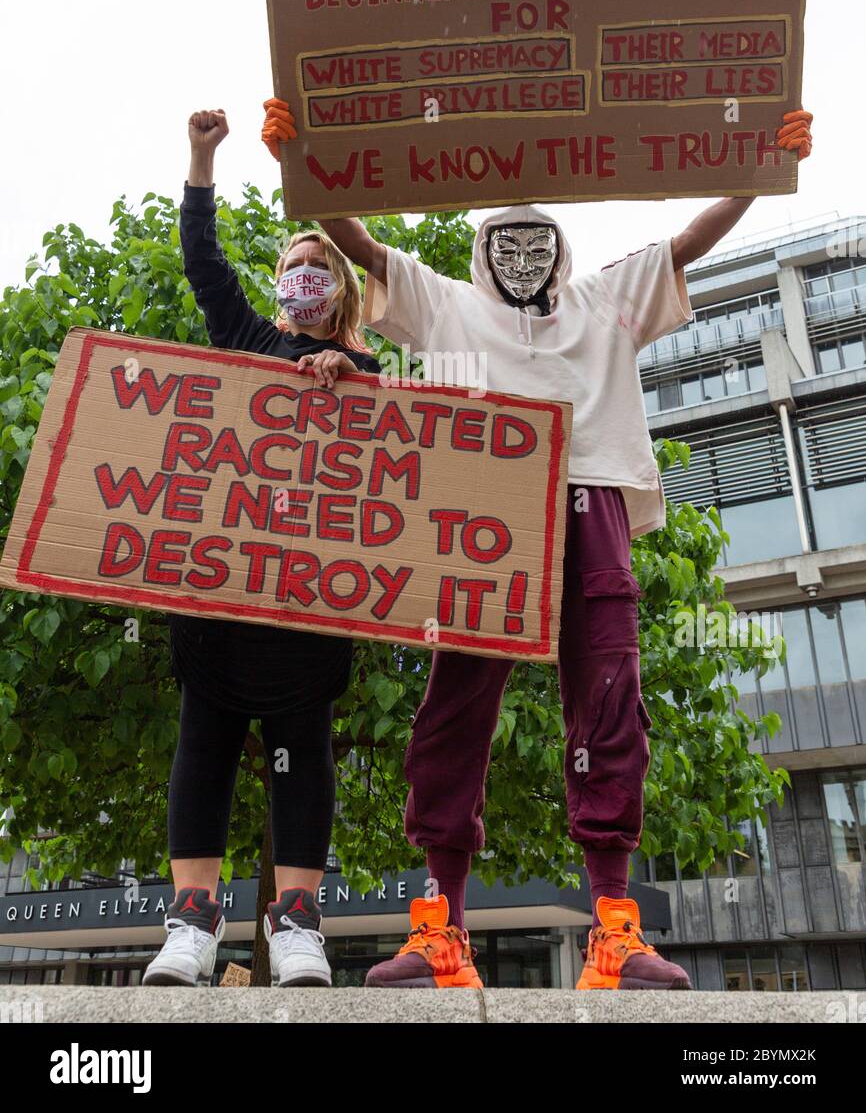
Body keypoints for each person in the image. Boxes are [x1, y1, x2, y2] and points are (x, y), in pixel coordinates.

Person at [262, 96, 812, 990]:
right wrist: (304, 164)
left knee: (608, 702)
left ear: (559, 253)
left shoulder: (603, 300)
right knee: (454, 709)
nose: (522, 262)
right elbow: (359, 247)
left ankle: (614, 928)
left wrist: (760, 171)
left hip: (590, 503)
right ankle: (440, 930)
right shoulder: (445, 307)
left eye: (536, 247)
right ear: (483, 256)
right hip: (483, 515)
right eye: (505, 249)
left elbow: (685, 244)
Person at [142, 108, 381, 989]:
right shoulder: (246, 341)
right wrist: (202, 158)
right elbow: (204, 263)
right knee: (202, 740)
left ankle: (298, 928)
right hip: (220, 602)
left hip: (312, 612)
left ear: (343, 290)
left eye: (321, 266)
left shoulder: (373, 378)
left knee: (302, 748)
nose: (306, 274)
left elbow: (419, 458)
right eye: (293, 265)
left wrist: (358, 384)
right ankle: (191, 925)